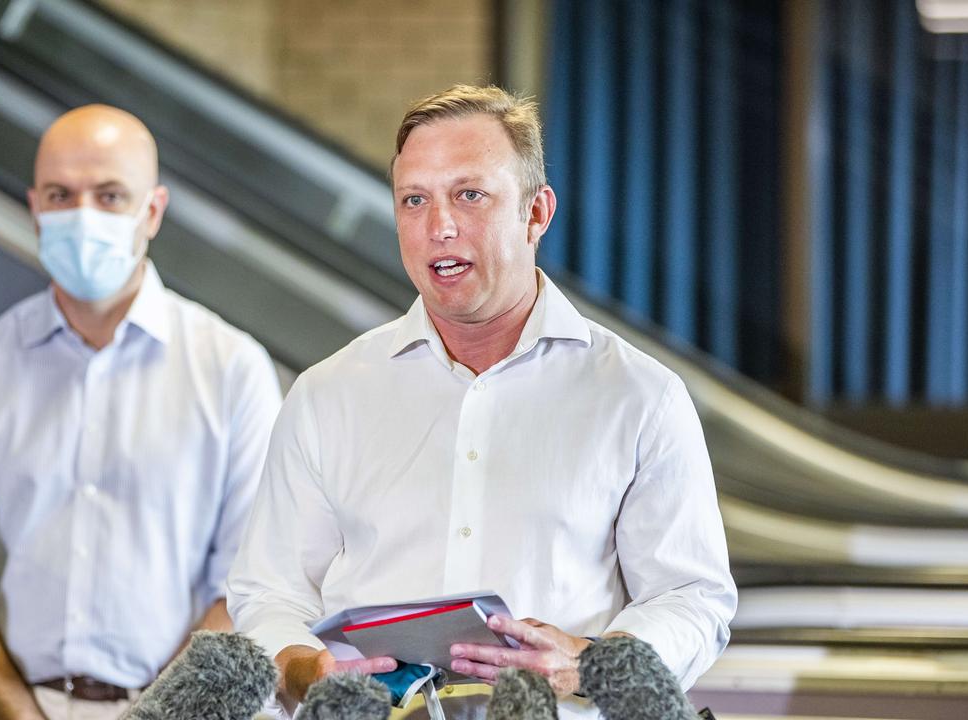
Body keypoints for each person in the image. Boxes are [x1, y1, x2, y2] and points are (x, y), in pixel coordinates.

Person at [227, 85, 736, 719]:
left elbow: (692, 598)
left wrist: (587, 665)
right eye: (415, 200)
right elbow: (270, 592)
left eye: (470, 195)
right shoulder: (327, 394)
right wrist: (310, 671)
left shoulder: (639, 396)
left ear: (536, 213)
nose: (439, 226)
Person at [0, 105, 282, 720]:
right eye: (61, 194)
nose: (82, 216)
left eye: (110, 195)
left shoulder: (232, 369)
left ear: (153, 211)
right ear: (34, 207)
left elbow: (246, 592)